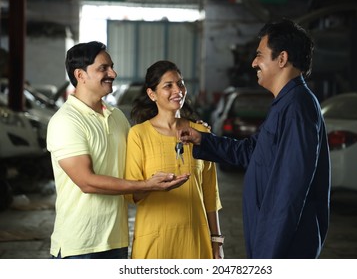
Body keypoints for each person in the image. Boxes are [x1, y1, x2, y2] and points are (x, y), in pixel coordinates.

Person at [178, 19, 331, 259]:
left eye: (259, 55)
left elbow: (290, 190)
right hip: (271, 238)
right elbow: (251, 151)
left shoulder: (297, 107)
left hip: (283, 247)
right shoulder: (284, 104)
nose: (253, 63)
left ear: (281, 59)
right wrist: (204, 141)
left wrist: (268, 254)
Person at [46, 42, 189, 259]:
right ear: (80, 75)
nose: (113, 73)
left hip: (117, 241)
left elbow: (133, 164)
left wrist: (188, 133)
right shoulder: (66, 121)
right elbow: (86, 181)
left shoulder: (117, 117)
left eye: (111, 67)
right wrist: (146, 185)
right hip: (80, 246)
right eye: (103, 68)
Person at [125, 60, 223, 259]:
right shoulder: (138, 135)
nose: (178, 90)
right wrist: (152, 185)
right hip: (154, 242)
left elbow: (210, 194)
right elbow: (133, 194)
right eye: (168, 85)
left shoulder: (201, 133)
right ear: (152, 94)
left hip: (195, 239)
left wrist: (217, 241)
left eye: (180, 83)